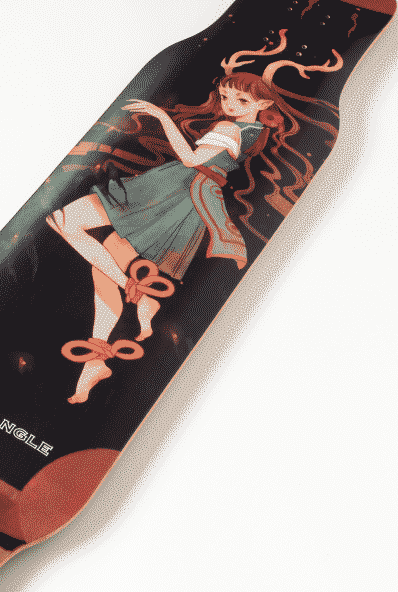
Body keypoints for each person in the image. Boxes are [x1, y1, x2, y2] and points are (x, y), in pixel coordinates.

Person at [46, 76, 274, 404]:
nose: (229, 105)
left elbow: (191, 160)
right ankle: (95, 362)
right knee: (102, 260)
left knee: (65, 221)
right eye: (226, 96)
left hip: (168, 190)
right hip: (183, 197)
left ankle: (134, 290)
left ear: (264, 104)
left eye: (241, 100)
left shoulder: (230, 129)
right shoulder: (252, 131)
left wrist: (161, 116)